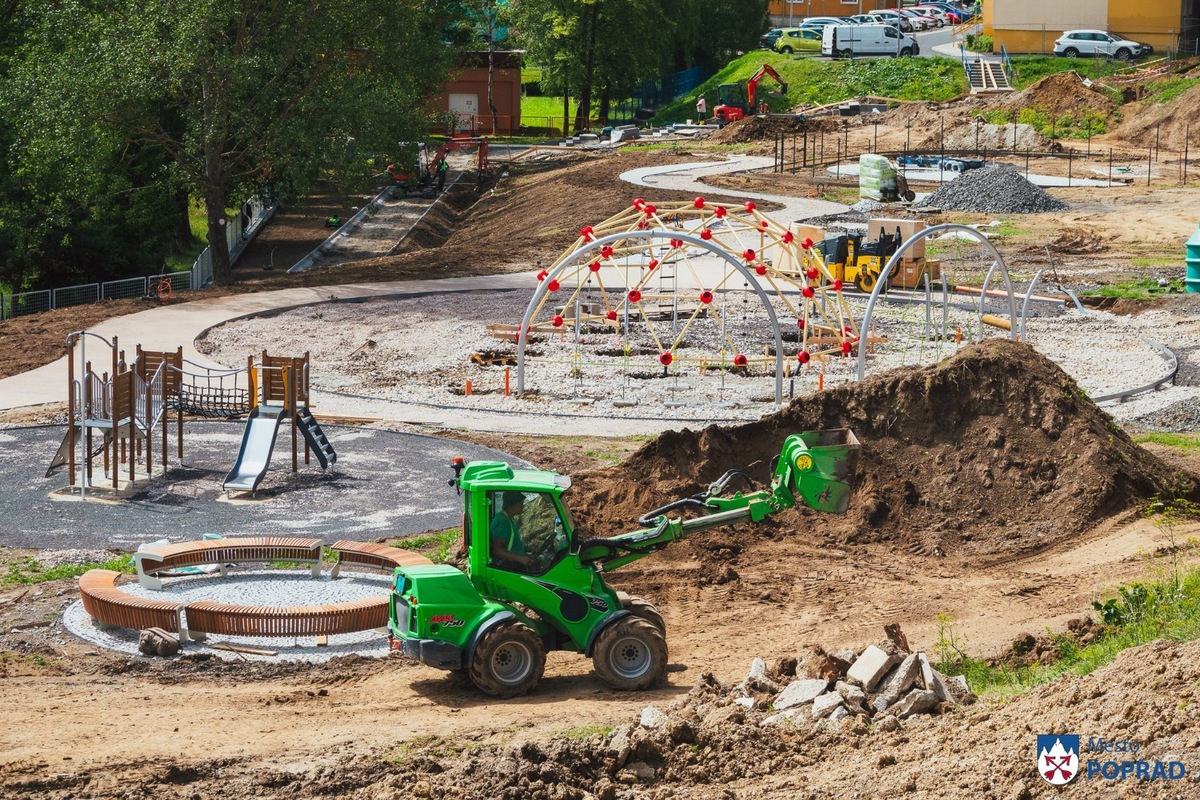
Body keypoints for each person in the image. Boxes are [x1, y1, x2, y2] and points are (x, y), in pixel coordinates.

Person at [490, 491, 535, 569]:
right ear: (511, 505)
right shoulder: (502, 521)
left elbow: (510, 543)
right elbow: (497, 550)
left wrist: (527, 548)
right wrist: (521, 559)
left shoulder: (510, 519)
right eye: (520, 504)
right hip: (509, 566)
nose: (523, 506)